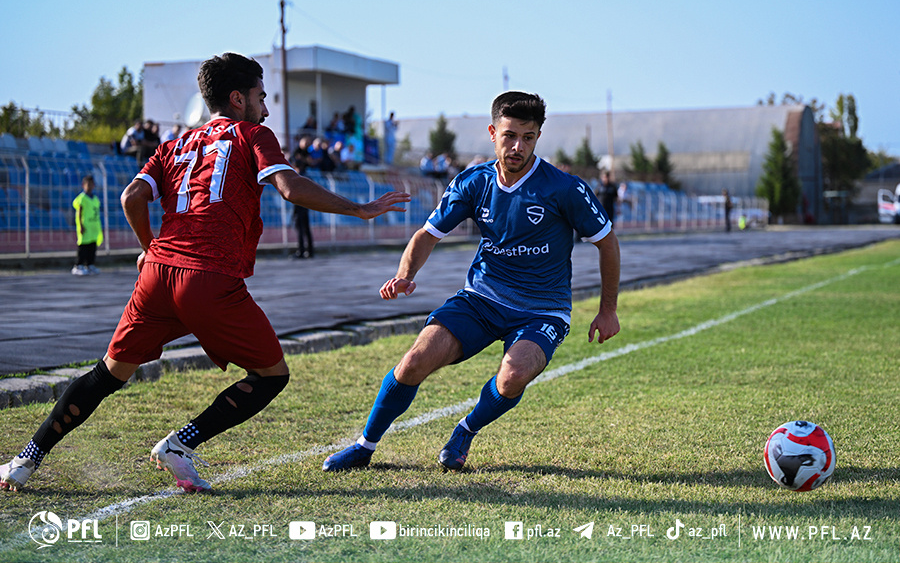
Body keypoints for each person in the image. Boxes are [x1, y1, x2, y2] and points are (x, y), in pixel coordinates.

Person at [0, 52, 409, 493]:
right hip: (209, 277)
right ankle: (180, 444)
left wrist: (148, 248)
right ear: (238, 98)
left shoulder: (173, 143)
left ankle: (24, 460)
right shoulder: (252, 133)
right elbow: (289, 187)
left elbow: (131, 197)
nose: (266, 108)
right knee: (272, 375)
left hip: (157, 276)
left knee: (105, 375)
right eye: (261, 97)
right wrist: (358, 208)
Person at [323, 91, 620, 472]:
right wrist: (404, 276)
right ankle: (365, 446)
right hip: (481, 299)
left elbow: (607, 244)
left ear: (538, 138)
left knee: (513, 376)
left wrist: (607, 309)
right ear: (493, 132)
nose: (518, 146)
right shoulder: (473, 182)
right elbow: (428, 234)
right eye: (510, 135)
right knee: (414, 360)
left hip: (542, 310)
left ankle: (465, 431)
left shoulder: (563, 188)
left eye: (528, 137)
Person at [71, 174, 103, 276]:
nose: (89, 186)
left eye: (91, 184)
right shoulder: (82, 198)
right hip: (85, 226)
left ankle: (89, 264)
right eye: (87, 184)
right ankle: (78, 265)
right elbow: (79, 212)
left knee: (92, 247)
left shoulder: (95, 198)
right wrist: (80, 225)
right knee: (83, 246)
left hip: (94, 226)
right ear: (83, 185)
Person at [291, 136, 315, 258]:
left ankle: (301, 251)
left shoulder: (298, 178)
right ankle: (310, 251)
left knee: (301, 228)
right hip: (306, 204)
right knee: (306, 228)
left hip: (300, 205)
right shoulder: (306, 177)